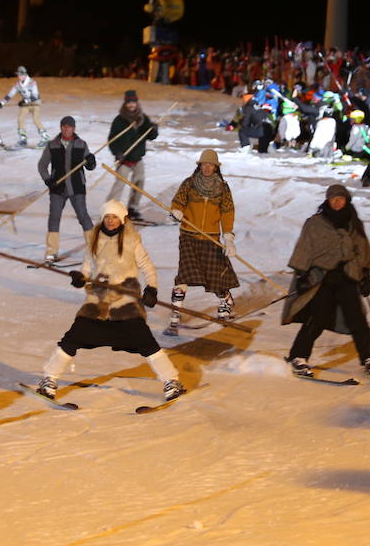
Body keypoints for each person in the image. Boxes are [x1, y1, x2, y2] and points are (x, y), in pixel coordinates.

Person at [34, 199, 183, 403]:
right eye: (107, 217)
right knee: (72, 338)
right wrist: (80, 277)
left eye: (114, 217)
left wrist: (152, 288)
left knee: (146, 342)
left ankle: (171, 381)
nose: (110, 221)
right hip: (98, 304)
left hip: (125, 304)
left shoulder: (131, 240)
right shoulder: (95, 240)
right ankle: (49, 380)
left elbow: (147, 267)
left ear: (122, 219)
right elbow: (87, 268)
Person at [281, 185, 370, 381]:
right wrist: (302, 276)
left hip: (348, 276)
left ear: (346, 200)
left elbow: (363, 249)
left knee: (357, 319)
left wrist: (366, 275)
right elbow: (304, 248)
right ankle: (298, 357)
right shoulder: (315, 223)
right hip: (323, 278)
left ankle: (369, 358)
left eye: (340, 198)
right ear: (327, 200)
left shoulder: (354, 223)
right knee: (317, 318)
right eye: (333, 198)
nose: (336, 201)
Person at [165, 149, 240, 335]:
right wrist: (176, 211)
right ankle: (175, 314)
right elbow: (178, 202)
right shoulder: (189, 184)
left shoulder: (223, 188)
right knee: (184, 275)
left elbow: (227, 212)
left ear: (216, 167)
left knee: (215, 274)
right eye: (204, 164)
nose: (207, 168)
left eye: (210, 165)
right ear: (199, 166)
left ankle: (226, 301)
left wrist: (228, 237)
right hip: (188, 236)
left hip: (210, 237)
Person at [36, 116, 96, 262]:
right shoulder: (52, 145)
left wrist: (90, 161)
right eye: (63, 126)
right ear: (60, 127)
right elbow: (42, 165)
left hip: (77, 186)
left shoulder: (81, 144)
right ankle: (52, 251)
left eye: (69, 126)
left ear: (73, 128)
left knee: (83, 216)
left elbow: (90, 166)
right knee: (54, 217)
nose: (66, 129)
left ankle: (94, 249)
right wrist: (48, 179)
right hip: (58, 187)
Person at [105, 90, 158, 221]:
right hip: (124, 159)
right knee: (119, 184)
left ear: (137, 102)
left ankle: (133, 208)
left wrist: (154, 129)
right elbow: (112, 140)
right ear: (125, 103)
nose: (131, 105)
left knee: (139, 182)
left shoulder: (143, 118)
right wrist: (117, 153)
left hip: (137, 157)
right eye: (129, 102)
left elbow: (151, 136)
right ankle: (110, 208)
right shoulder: (119, 120)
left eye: (133, 102)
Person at [1, 65, 47, 147]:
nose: (19, 76)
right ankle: (23, 139)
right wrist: (2, 103)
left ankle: (45, 138)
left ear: (25, 74)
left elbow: (35, 96)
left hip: (35, 104)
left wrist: (25, 101)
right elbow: (10, 94)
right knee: (20, 119)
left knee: (36, 120)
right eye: (18, 75)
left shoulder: (32, 82)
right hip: (25, 105)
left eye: (21, 75)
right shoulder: (18, 84)